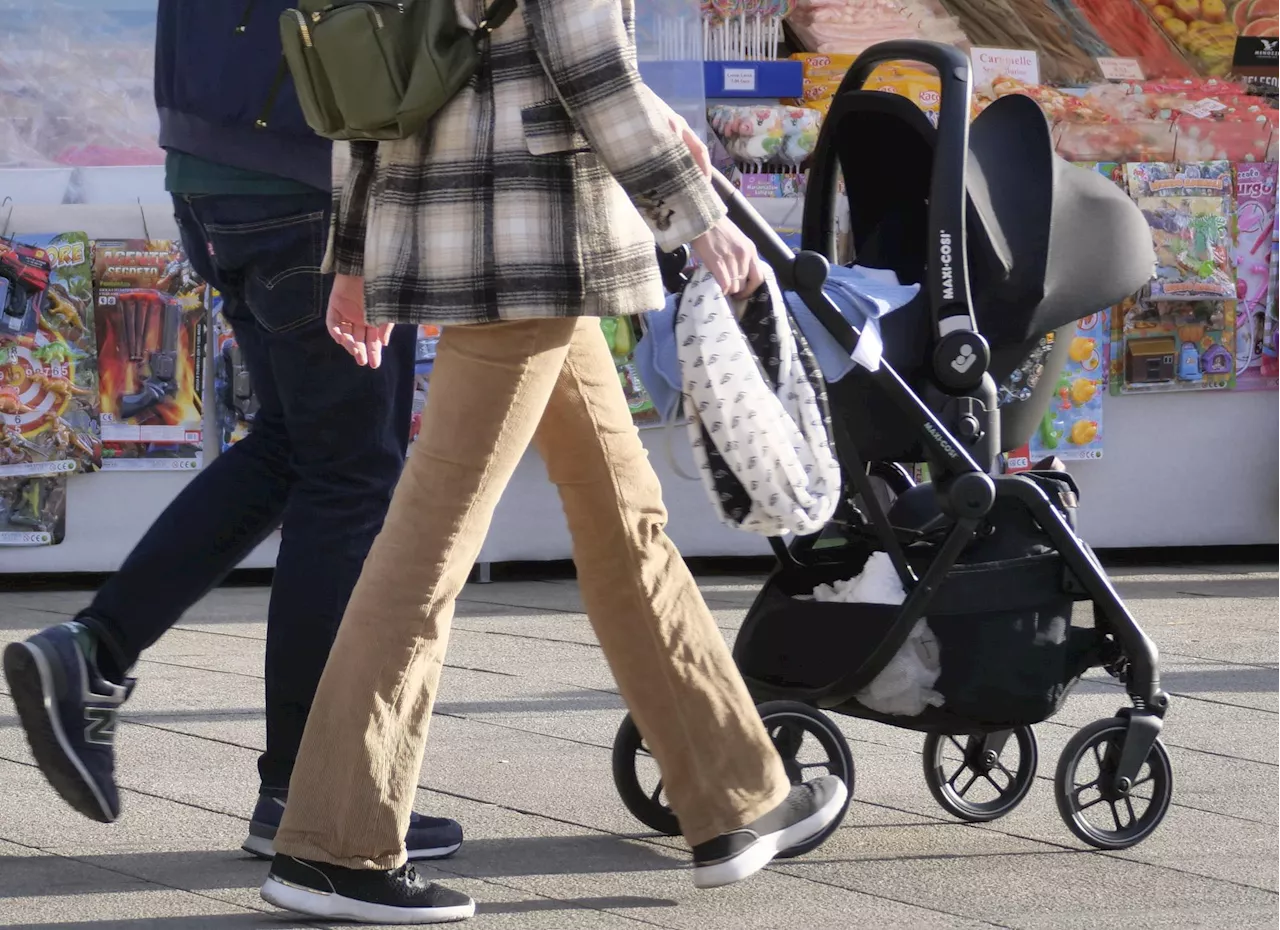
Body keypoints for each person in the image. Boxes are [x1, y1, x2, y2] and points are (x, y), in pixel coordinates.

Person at [257, 0, 847, 923]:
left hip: (496, 248)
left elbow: (359, 72)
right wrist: (699, 217)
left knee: (624, 519)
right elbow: (592, 69)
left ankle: (736, 797)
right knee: (428, 548)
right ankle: (334, 844)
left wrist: (356, 253)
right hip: (532, 245)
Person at [1, 2, 461, 864]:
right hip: (308, 180)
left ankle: (95, 651)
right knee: (349, 475)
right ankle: (305, 790)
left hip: (213, 172)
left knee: (295, 449)